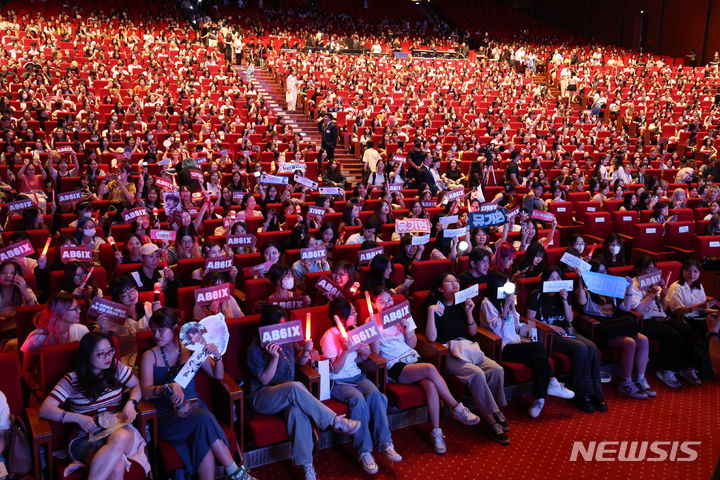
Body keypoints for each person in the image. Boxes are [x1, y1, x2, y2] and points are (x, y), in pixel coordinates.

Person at [246, 304, 362, 480]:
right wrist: (274, 357)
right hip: (263, 396)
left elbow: (299, 363)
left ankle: (307, 465)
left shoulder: (287, 340)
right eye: (278, 327)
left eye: (284, 325)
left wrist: (306, 352)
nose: (282, 330)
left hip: (289, 395)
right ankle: (335, 421)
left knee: (297, 412)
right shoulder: (255, 346)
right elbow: (264, 380)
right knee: (295, 387)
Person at [139, 309, 254, 480]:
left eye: (161, 330)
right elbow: (146, 393)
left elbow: (218, 375)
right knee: (205, 420)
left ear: (175, 329)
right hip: (168, 415)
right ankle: (236, 473)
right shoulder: (150, 356)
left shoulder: (191, 349)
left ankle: (235, 473)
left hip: (194, 407)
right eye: (153, 330)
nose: (156, 334)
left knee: (203, 432)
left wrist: (218, 357)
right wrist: (168, 387)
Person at [368, 287, 480, 454]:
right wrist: (374, 330)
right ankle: (456, 407)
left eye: (389, 300)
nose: (386, 304)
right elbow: (375, 353)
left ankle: (436, 432)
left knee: (430, 385)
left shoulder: (402, 315)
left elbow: (412, 344)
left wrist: (406, 330)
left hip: (412, 358)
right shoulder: (370, 321)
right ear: (374, 304)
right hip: (394, 365)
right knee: (429, 368)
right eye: (381, 302)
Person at [39, 332, 150, 479]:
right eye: (101, 354)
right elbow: (45, 409)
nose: (108, 357)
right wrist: (78, 418)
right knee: (116, 467)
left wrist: (131, 403)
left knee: (121, 436)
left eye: (110, 351)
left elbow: (136, 385)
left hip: (118, 426)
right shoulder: (72, 379)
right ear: (87, 356)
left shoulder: (116, 368)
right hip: (86, 437)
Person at [424, 273, 509, 445]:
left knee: (496, 369)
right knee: (477, 374)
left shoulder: (462, 304)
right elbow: (431, 339)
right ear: (441, 288)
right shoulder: (433, 306)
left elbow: (471, 333)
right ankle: (491, 421)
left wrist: (469, 312)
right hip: (448, 351)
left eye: (457, 281)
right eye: (450, 281)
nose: (455, 284)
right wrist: (431, 313)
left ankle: (495, 409)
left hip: (468, 348)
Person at [320, 297, 402, 473]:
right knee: (358, 399)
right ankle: (364, 451)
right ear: (342, 317)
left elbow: (356, 360)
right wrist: (345, 350)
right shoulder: (328, 336)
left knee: (376, 395)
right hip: (338, 381)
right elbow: (333, 369)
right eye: (353, 312)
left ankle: (384, 442)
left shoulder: (355, 330)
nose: (356, 313)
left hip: (356, 376)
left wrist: (364, 355)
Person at [479, 272, 574, 418]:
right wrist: (506, 307)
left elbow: (517, 323)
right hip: (501, 347)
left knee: (539, 358)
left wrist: (528, 328)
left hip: (516, 341)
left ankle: (539, 400)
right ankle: (553, 383)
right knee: (538, 348)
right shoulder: (487, 303)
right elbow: (496, 329)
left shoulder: (507, 298)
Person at [526, 268, 606, 413]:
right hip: (548, 335)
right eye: (551, 278)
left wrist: (564, 300)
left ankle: (597, 393)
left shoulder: (564, 294)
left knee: (592, 347)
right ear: (545, 279)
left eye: (558, 278)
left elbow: (569, 319)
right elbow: (530, 319)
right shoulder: (536, 295)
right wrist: (551, 327)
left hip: (566, 331)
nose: (555, 281)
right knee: (580, 348)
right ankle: (582, 394)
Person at [576, 260, 654, 399]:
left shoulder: (610, 290)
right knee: (630, 342)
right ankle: (626, 382)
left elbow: (625, 307)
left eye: (604, 271)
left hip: (615, 326)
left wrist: (629, 288)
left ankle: (640, 379)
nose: (603, 274)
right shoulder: (586, 291)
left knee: (643, 340)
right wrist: (581, 279)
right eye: (599, 272)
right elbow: (581, 301)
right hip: (600, 329)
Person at [631, 256, 702, 387]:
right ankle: (665, 369)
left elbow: (664, 309)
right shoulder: (633, 285)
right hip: (645, 320)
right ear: (639, 270)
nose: (651, 273)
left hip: (661, 316)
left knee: (687, 331)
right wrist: (650, 294)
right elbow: (638, 309)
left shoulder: (655, 284)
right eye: (648, 270)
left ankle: (684, 366)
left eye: (654, 270)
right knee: (672, 335)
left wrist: (663, 296)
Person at [21, 293, 89, 396]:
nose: (79, 311)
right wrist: (37, 390)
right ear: (59, 312)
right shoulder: (36, 337)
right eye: (75, 309)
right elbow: (27, 370)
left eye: (78, 307)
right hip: (47, 388)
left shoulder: (81, 330)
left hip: (76, 386)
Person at [0, 260, 38, 352]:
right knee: (13, 345)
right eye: (4, 272)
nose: (8, 275)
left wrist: (24, 291)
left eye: (12, 273)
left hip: (24, 331)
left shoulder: (25, 291)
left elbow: (35, 311)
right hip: (3, 333)